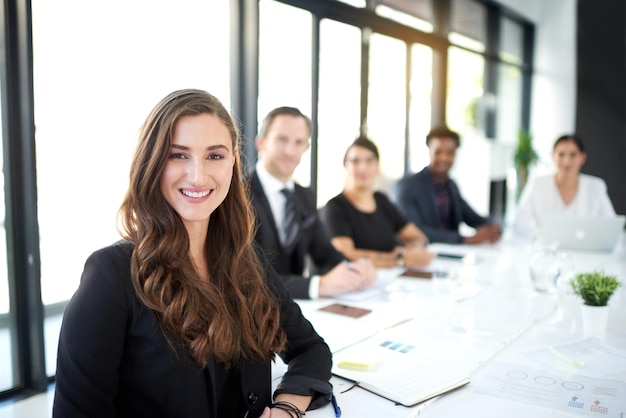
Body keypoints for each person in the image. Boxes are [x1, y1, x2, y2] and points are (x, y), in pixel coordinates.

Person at [53, 89, 333, 418]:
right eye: (178, 155)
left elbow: (310, 348)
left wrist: (287, 407)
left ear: (233, 163)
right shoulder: (110, 275)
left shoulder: (247, 259)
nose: (198, 175)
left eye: (215, 156)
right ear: (152, 163)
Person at [247, 106, 376, 299]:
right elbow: (246, 276)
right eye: (282, 140)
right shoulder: (238, 196)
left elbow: (324, 252)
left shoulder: (304, 196)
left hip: (296, 312)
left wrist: (353, 268)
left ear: (306, 147)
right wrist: (317, 286)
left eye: (299, 142)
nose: (290, 151)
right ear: (261, 142)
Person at [320, 136, 435, 268]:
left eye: (369, 161)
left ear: (377, 165)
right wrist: (399, 259)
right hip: (358, 283)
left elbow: (419, 237)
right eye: (355, 161)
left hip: (390, 279)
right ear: (346, 165)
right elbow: (346, 253)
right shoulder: (336, 207)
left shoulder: (382, 201)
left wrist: (413, 250)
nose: (362, 167)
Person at [396, 125, 501, 244]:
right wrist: (465, 239)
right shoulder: (409, 186)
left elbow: (472, 218)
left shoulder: (451, 186)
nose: (444, 158)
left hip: (452, 255)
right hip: (424, 255)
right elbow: (414, 230)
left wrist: (493, 227)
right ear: (429, 151)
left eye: (450, 153)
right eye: (438, 152)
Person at [514, 134, 615, 234]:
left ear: (582, 158)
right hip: (546, 248)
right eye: (561, 154)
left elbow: (611, 227)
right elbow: (520, 223)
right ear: (553, 156)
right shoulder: (537, 184)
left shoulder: (596, 187)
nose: (566, 161)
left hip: (584, 250)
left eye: (573, 155)